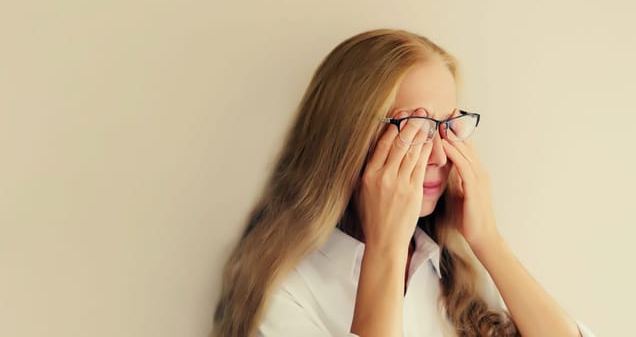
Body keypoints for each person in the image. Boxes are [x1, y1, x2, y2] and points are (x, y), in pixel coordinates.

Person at [212, 29, 596, 337]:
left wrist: (489, 241)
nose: (439, 156)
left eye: (447, 126)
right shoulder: (285, 292)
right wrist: (385, 249)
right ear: (347, 138)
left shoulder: (455, 268)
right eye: (413, 130)